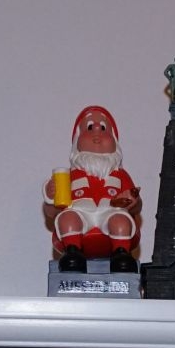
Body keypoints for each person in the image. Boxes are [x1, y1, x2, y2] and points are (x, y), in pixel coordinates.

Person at [45, 105, 143, 272]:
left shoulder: (120, 175)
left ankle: (121, 253)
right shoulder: (68, 176)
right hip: (81, 213)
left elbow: (136, 205)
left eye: (103, 128)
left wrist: (133, 201)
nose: (97, 132)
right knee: (68, 218)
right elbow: (52, 211)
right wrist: (51, 196)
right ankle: (72, 251)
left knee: (120, 221)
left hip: (109, 212)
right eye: (89, 127)